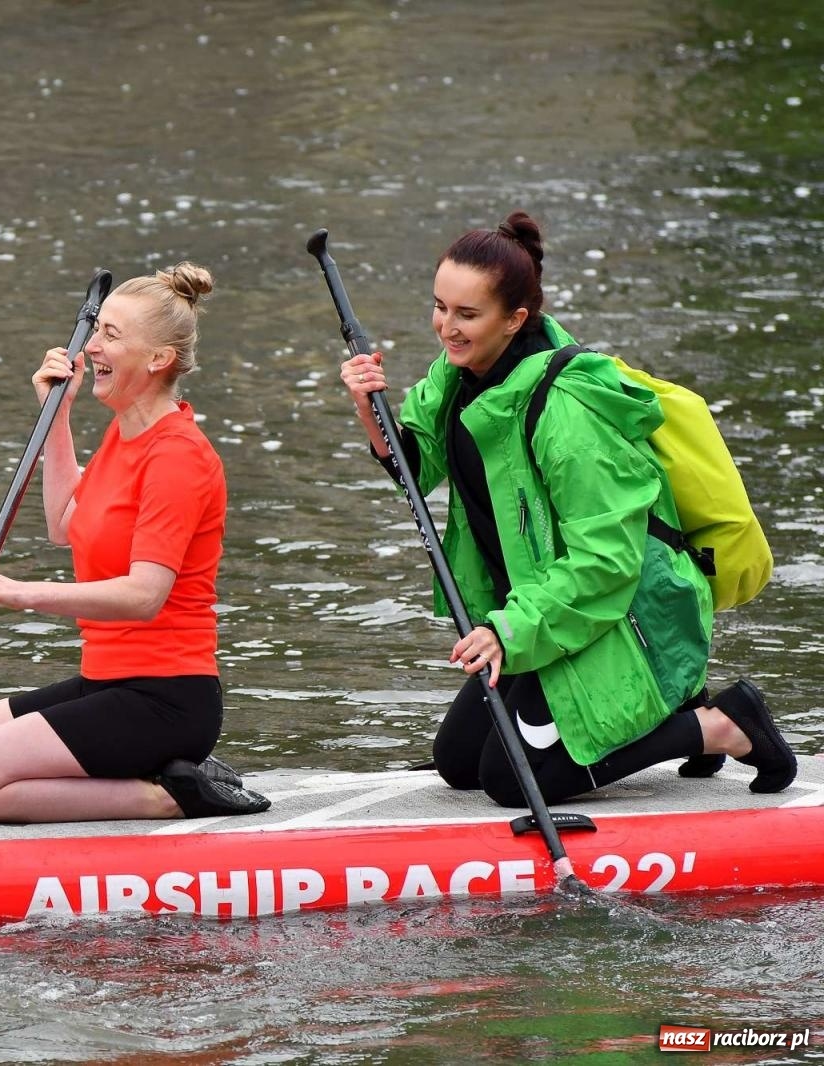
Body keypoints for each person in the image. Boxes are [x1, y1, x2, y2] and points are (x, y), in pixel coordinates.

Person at [338, 211, 796, 806]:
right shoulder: (457, 376)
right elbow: (413, 468)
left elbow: (607, 563)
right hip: (548, 615)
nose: (446, 328)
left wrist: (507, 631)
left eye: (467, 315)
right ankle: (677, 708)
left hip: (617, 616)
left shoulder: (569, 416)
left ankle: (720, 725)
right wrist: (365, 403)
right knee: (459, 764)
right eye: (439, 307)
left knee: (510, 783)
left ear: (517, 320)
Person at [0, 263, 270, 823]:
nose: (90, 346)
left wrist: (16, 592)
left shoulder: (178, 454)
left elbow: (145, 595)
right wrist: (58, 412)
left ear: (158, 359)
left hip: (166, 699)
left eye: (110, 335)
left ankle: (173, 795)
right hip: (106, 679)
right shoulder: (124, 433)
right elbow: (64, 525)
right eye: (95, 329)